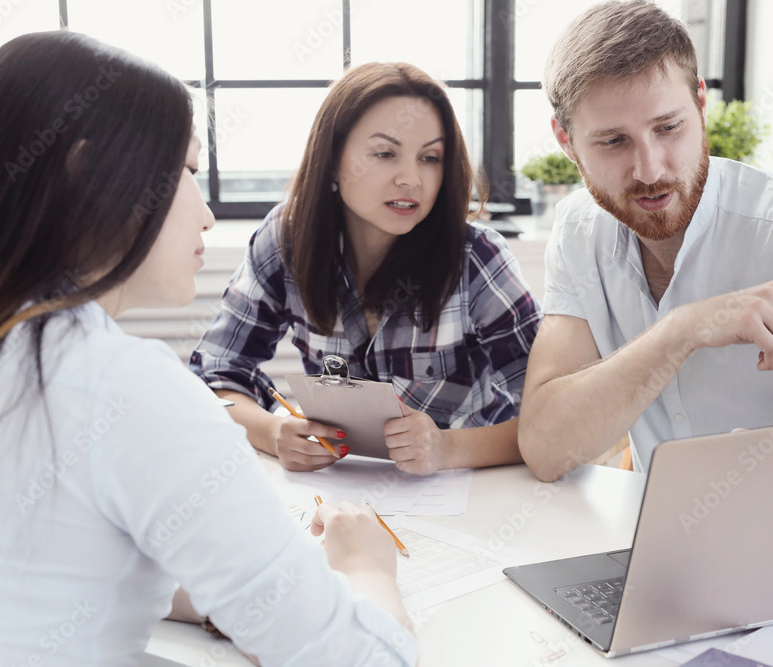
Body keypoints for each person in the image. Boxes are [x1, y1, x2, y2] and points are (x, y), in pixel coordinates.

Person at [0, 32, 416, 666]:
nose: (205, 216)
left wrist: (236, 588)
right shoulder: (120, 385)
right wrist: (369, 570)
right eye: (186, 172)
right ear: (88, 176)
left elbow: (23, 574)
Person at [518, 0, 773, 482]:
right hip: (661, 543)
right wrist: (681, 329)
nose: (650, 169)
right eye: (613, 142)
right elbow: (546, 449)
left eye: (668, 128)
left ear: (701, 105)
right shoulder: (579, 230)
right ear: (566, 141)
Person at [191, 62, 541, 475]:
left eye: (430, 157)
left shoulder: (477, 257)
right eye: (385, 153)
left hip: (472, 495)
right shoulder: (287, 236)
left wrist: (449, 448)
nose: (411, 178)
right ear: (334, 158)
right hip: (345, 494)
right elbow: (214, 377)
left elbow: (554, 417)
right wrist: (273, 432)